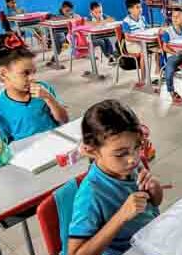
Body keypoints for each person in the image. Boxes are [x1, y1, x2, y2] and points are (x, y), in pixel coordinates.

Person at [68, 100, 163, 255]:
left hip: (150, 240)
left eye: (137, 147)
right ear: (92, 151)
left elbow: (155, 203)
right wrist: (121, 216)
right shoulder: (91, 194)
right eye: (121, 153)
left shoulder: (131, 166)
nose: (133, 158)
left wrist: (154, 188)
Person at [0, 34, 68, 141]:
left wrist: (49, 98)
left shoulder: (43, 88)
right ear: (3, 74)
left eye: (34, 72)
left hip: (54, 142)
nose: (32, 78)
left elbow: (64, 119)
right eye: (25, 73)